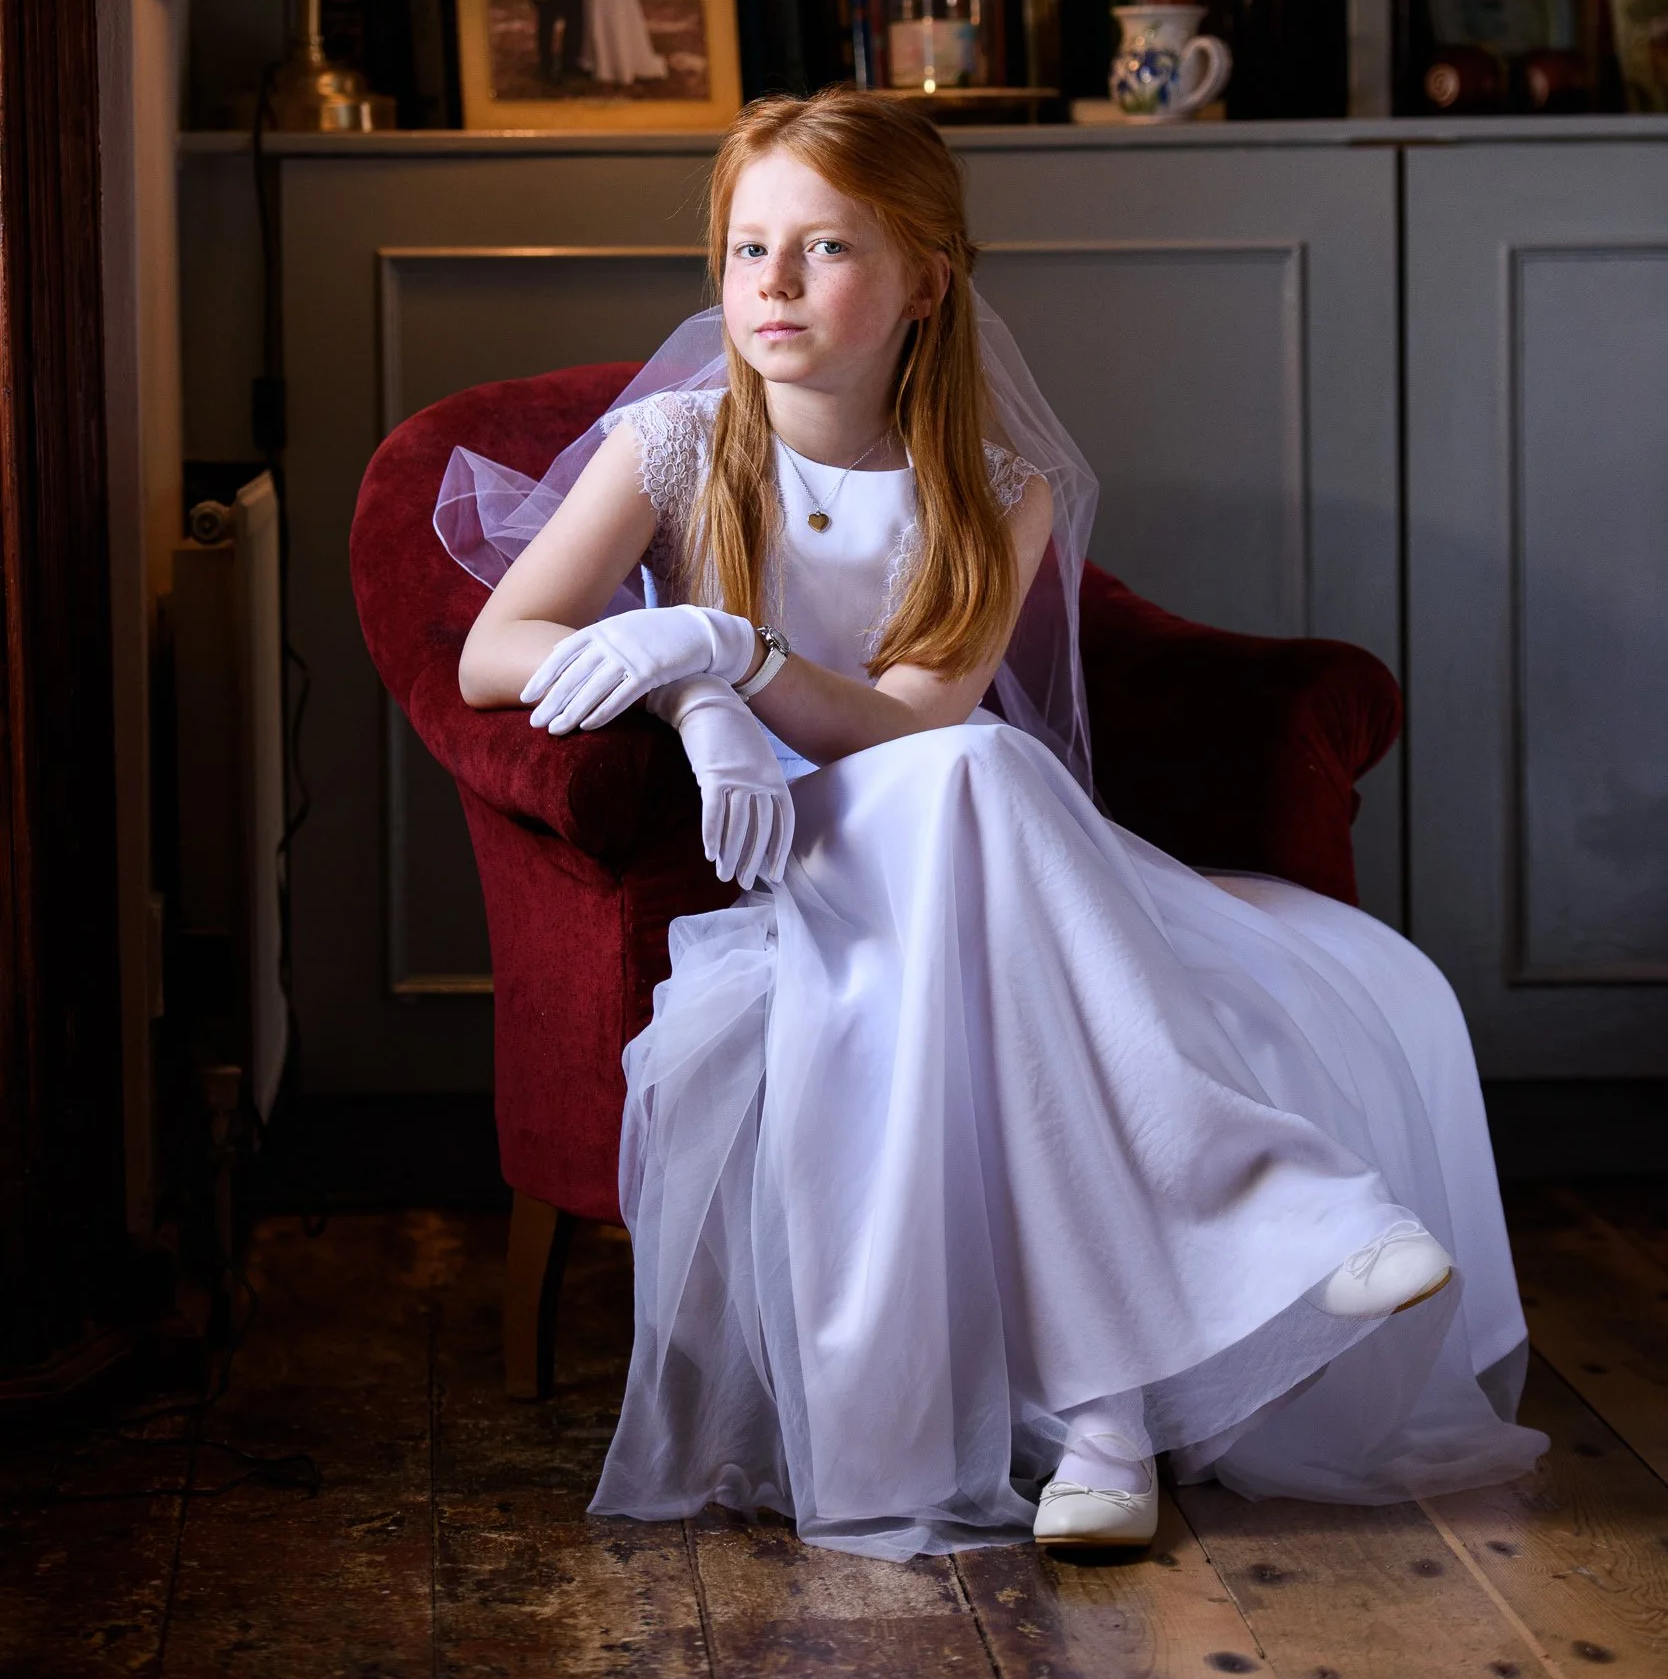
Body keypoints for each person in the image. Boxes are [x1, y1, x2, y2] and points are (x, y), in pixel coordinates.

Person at [440, 90, 1547, 1560]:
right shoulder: (672, 448)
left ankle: (1105, 1420)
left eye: (825, 248)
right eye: (746, 246)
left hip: (948, 832)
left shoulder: (995, 488)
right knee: (990, 778)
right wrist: (690, 696)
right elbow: (490, 654)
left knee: (980, 774)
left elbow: (908, 728)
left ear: (924, 282)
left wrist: (735, 656)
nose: (770, 284)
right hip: (794, 864)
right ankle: (1239, 1241)